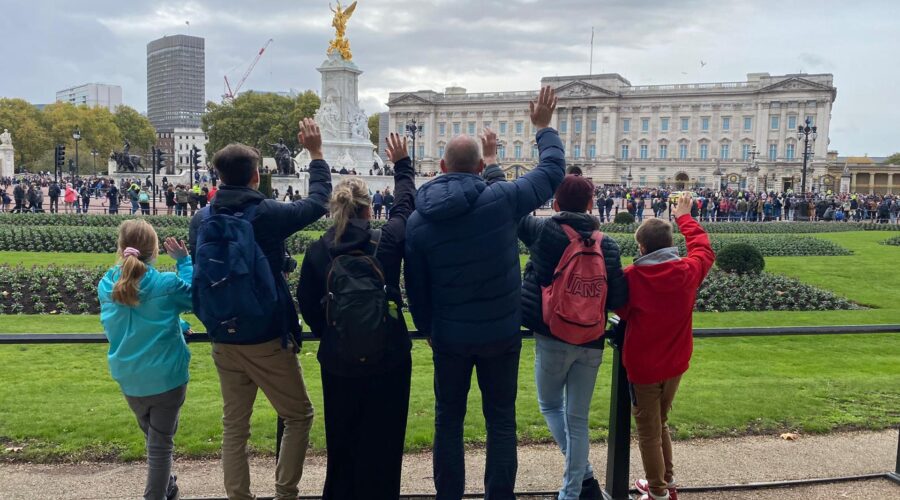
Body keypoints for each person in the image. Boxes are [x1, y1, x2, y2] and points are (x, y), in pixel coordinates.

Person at [404, 86, 565, 499]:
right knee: (501, 422)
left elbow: (415, 288)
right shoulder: (502, 199)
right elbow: (552, 172)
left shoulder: (420, 223)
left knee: (448, 422)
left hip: (450, 338)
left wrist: (431, 329)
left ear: (441, 165)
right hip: (499, 335)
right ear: (480, 167)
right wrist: (543, 128)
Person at [188, 118, 332, 500]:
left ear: (218, 176)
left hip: (223, 334)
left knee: (235, 426)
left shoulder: (201, 219)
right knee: (298, 416)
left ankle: (239, 496)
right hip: (266, 334)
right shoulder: (267, 214)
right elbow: (319, 201)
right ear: (256, 176)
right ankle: (285, 493)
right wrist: (316, 153)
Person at [297, 133, 415, 500]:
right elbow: (405, 208)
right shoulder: (386, 241)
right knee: (385, 443)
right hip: (389, 357)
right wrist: (402, 165)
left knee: (343, 443)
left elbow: (306, 302)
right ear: (368, 208)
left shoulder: (319, 251)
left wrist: (333, 332)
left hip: (339, 360)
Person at [518, 174, 628, 500]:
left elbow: (511, 211)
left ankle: (580, 483)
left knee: (550, 406)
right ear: (592, 204)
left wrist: (494, 165)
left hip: (553, 334)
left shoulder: (545, 231)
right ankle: (577, 488)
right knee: (577, 419)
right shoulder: (607, 243)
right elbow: (619, 295)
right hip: (591, 339)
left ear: (555, 204)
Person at [615, 194, 715, 500]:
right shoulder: (687, 271)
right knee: (660, 422)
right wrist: (685, 216)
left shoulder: (633, 277)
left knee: (648, 431)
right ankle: (666, 482)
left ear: (642, 248)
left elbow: (621, 309)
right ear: (669, 243)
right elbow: (704, 249)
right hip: (675, 363)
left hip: (644, 367)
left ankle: (657, 492)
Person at [98, 220, 194, 500]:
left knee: (155, 441)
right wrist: (185, 262)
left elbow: (138, 317)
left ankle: (167, 486)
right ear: (154, 251)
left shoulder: (106, 284)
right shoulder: (165, 284)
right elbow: (196, 296)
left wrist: (177, 322)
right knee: (160, 446)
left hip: (129, 377)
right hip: (167, 378)